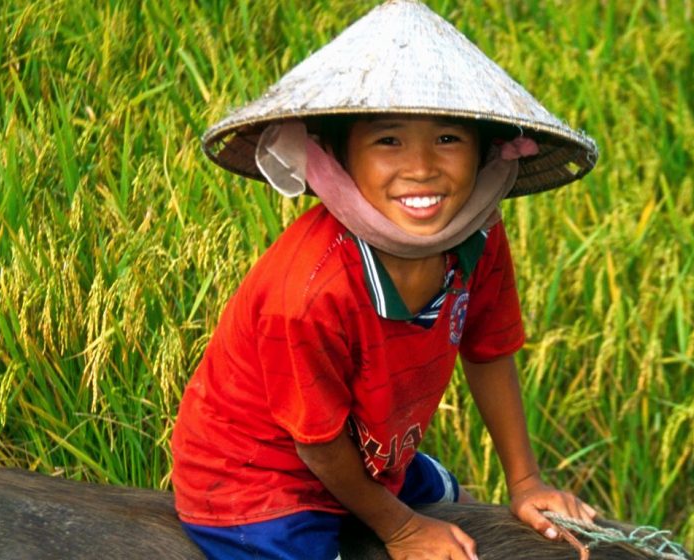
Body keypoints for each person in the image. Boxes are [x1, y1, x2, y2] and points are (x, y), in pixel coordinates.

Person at [170, 1, 599, 558]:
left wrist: (525, 482)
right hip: (260, 480)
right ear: (338, 156)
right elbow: (315, 443)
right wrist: (401, 529)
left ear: (485, 152)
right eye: (388, 141)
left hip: (375, 454)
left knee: (454, 498)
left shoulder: (479, 239)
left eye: (448, 139)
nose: (421, 167)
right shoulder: (309, 290)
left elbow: (489, 349)